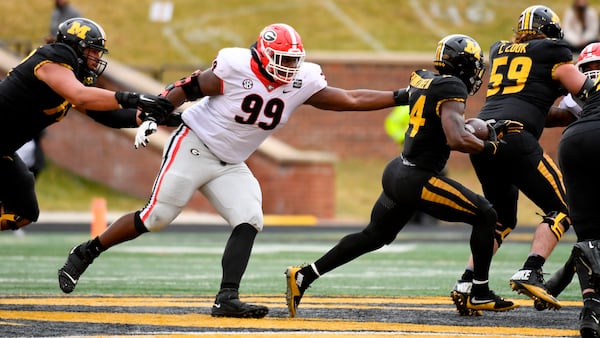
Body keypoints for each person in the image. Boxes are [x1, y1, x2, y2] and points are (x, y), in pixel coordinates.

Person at [57, 22, 408, 319]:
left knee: (249, 217)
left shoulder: (303, 80)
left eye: (293, 61)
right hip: (194, 145)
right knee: (157, 217)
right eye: (282, 60)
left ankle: (226, 298)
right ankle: (86, 251)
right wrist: (153, 115)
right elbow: (186, 87)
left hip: (231, 162)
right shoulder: (235, 66)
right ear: (263, 55)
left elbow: (350, 99)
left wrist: (402, 95)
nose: (288, 69)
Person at [285, 34, 520, 319]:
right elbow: (457, 138)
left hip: (398, 171)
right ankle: (479, 291)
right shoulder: (452, 86)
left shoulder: (424, 81)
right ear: (463, 66)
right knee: (486, 214)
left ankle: (304, 275)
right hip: (417, 178)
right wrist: (491, 147)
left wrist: (473, 130)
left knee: (373, 236)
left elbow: (378, 99)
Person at [450, 5, 594, 315]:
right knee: (563, 206)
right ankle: (531, 268)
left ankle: (468, 283)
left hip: (484, 138)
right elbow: (583, 87)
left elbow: (543, 110)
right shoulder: (553, 51)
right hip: (516, 137)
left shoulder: (501, 51)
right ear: (552, 32)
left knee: (501, 219)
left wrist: (570, 112)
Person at [0, 17, 174, 232]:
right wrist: (134, 97)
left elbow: (107, 115)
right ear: (74, 46)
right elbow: (80, 96)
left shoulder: (74, 76)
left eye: (98, 52)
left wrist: (156, 117)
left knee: (24, 212)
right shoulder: (55, 57)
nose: (96, 57)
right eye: (91, 51)